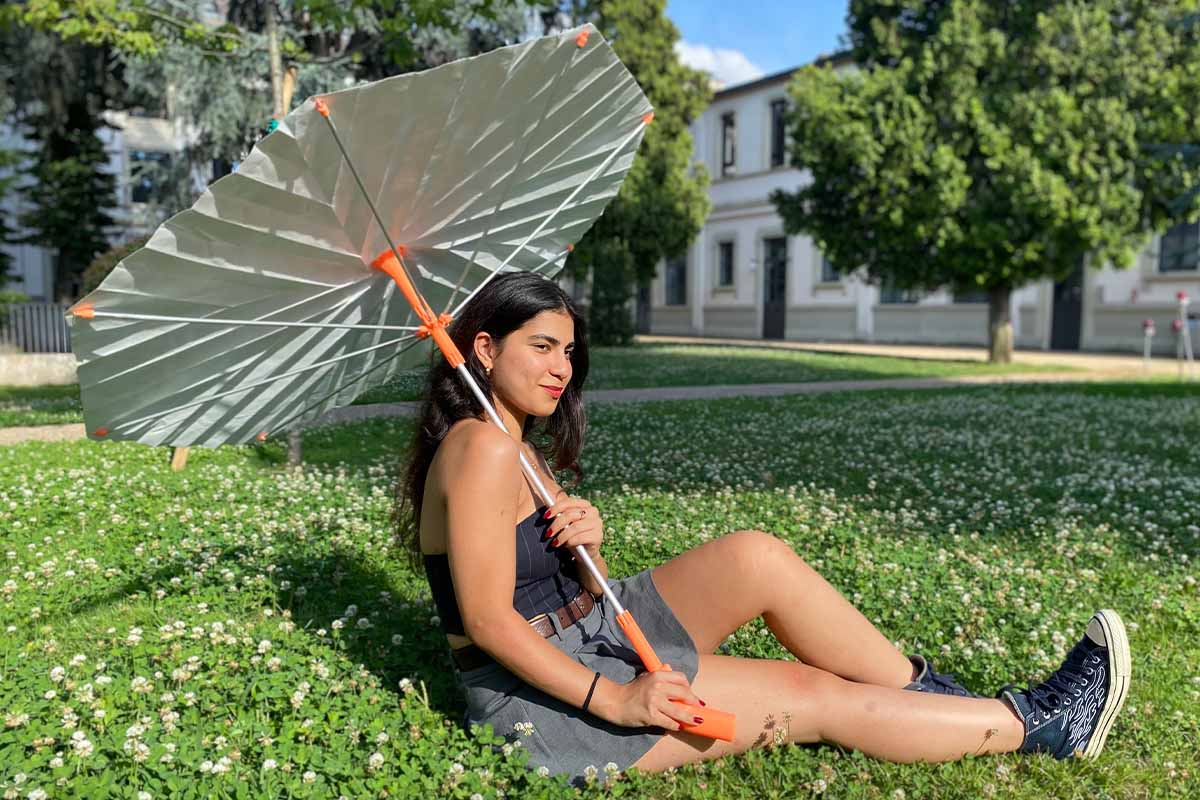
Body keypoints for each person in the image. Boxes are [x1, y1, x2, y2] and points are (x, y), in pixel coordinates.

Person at [392, 272, 1131, 786]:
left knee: (756, 557)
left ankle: (938, 703)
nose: (562, 367)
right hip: (538, 703)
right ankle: (1042, 723)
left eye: (568, 348)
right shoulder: (482, 445)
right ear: (483, 349)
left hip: (585, 630)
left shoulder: (507, 441)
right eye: (541, 347)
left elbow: (536, 573)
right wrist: (616, 701)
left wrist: (589, 539)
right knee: (807, 694)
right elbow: (490, 622)